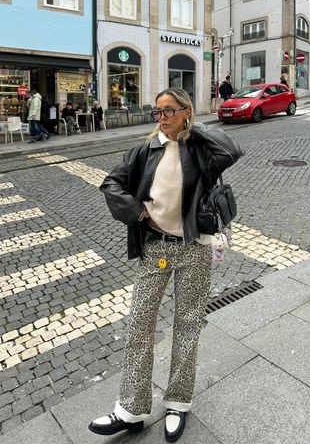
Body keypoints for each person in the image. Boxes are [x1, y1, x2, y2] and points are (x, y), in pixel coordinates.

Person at [89, 88, 243, 442]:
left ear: (184, 111)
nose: (161, 117)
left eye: (168, 111)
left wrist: (192, 126)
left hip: (195, 249)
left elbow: (232, 149)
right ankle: (131, 408)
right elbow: (111, 183)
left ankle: (178, 402)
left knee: (188, 325)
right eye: (157, 112)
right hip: (156, 248)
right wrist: (137, 210)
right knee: (140, 324)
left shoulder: (200, 149)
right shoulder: (144, 150)